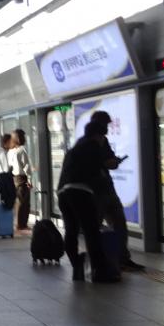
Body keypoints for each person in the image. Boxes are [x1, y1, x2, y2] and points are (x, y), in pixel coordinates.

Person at [57, 121, 119, 283]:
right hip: (80, 192)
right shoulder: (93, 147)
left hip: (63, 192)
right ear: (98, 135)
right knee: (91, 231)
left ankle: (76, 267)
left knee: (71, 231)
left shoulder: (75, 149)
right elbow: (100, 171)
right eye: (103, 136)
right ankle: (100, 271)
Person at [89, 111, 145, 272]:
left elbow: (109, 161)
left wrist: (114, 162)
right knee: (94, 228)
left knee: (119, 224)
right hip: (94, 193)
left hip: (107, 189)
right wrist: (106, 163)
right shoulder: (86, 143)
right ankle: (98, 263)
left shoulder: (104, 141)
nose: (107, 128)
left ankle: (122, 259)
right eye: (105, 124)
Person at [10, 129, 32, 230]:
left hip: (15, 178)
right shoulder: (22, 150)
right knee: (24, 202)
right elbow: (26, 166)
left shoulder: (12, 151)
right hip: (22, 178)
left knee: (19, 201)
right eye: (23, 136)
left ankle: (19, 223)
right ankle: (22, 224)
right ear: (20, 138)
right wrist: (30, 180)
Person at [0, 134, 16, 208]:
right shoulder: (3, 153)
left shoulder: (4, 152)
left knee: (6, 197)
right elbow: (6, 168)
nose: (12, 144)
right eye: (11, 142)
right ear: (6, 143)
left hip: (2, 176)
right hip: (4, 177)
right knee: (9, 197)